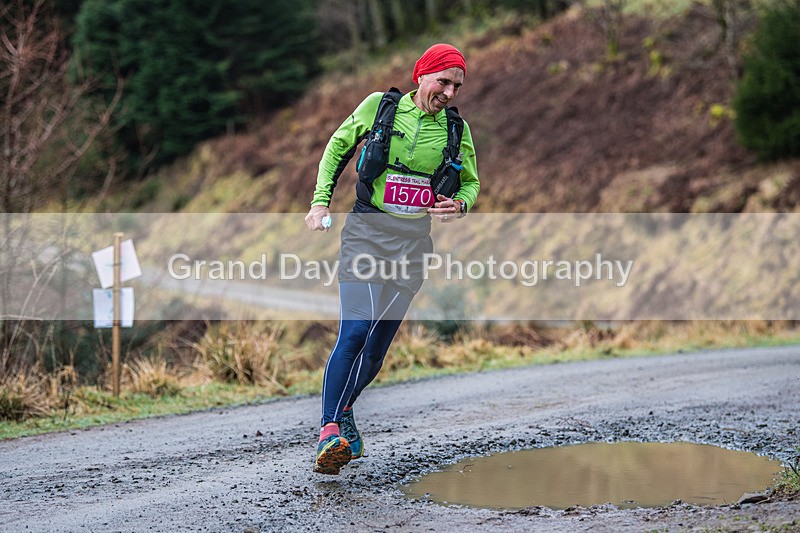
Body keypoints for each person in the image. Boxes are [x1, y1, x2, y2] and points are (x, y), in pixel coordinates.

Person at [304, 43, 480, 475]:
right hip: (367, 231)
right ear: (422, 74)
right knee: (357, 328)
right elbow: (336, 148)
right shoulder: (380, 108)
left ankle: (344, 408)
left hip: (413, 243)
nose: (450, 93)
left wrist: (459, 206)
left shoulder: (457, 131)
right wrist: (320, 203)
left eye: (457, 86)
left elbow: (472, 184)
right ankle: (329, 431)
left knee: (378, 347)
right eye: (443, 81)